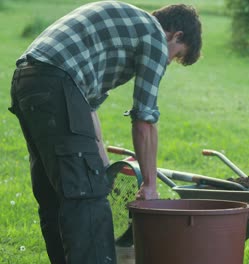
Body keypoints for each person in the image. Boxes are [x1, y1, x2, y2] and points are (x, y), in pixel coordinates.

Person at [8, 1, 202, 263]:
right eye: (176, 54)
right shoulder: (155, 35)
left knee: (56, 194)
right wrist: (150, 186)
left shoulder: (127, 26)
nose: (168, 61)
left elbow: (87, 110)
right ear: (175, 35)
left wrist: (101, 168)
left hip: (27, 81)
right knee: (86, 199)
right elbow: (144, 120)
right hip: (57, 81)